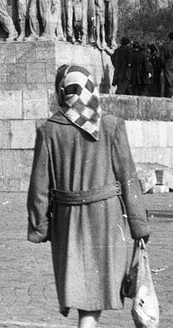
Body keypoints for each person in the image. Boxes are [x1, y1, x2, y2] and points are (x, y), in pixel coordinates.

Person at [27, 64, 151, 327]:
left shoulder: (48, 130)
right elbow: (128, 178)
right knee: (93, 293)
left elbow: (39, 187)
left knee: (83, 290)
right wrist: (138, 225)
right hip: (106, 218)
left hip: (68, 220)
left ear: (63, 91)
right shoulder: (111, 126)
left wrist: (40, 226)